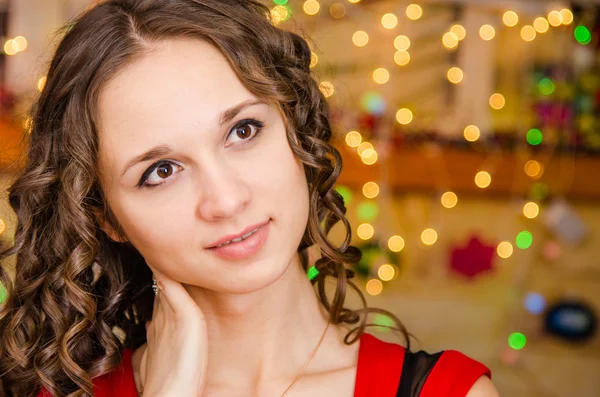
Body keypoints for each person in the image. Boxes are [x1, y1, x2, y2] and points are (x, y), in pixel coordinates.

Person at [0, 1, 499, 396]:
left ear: (295, 132)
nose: (225, 199)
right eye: (161, 171)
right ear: (106, 217)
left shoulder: (448, 393)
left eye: (243, 130)